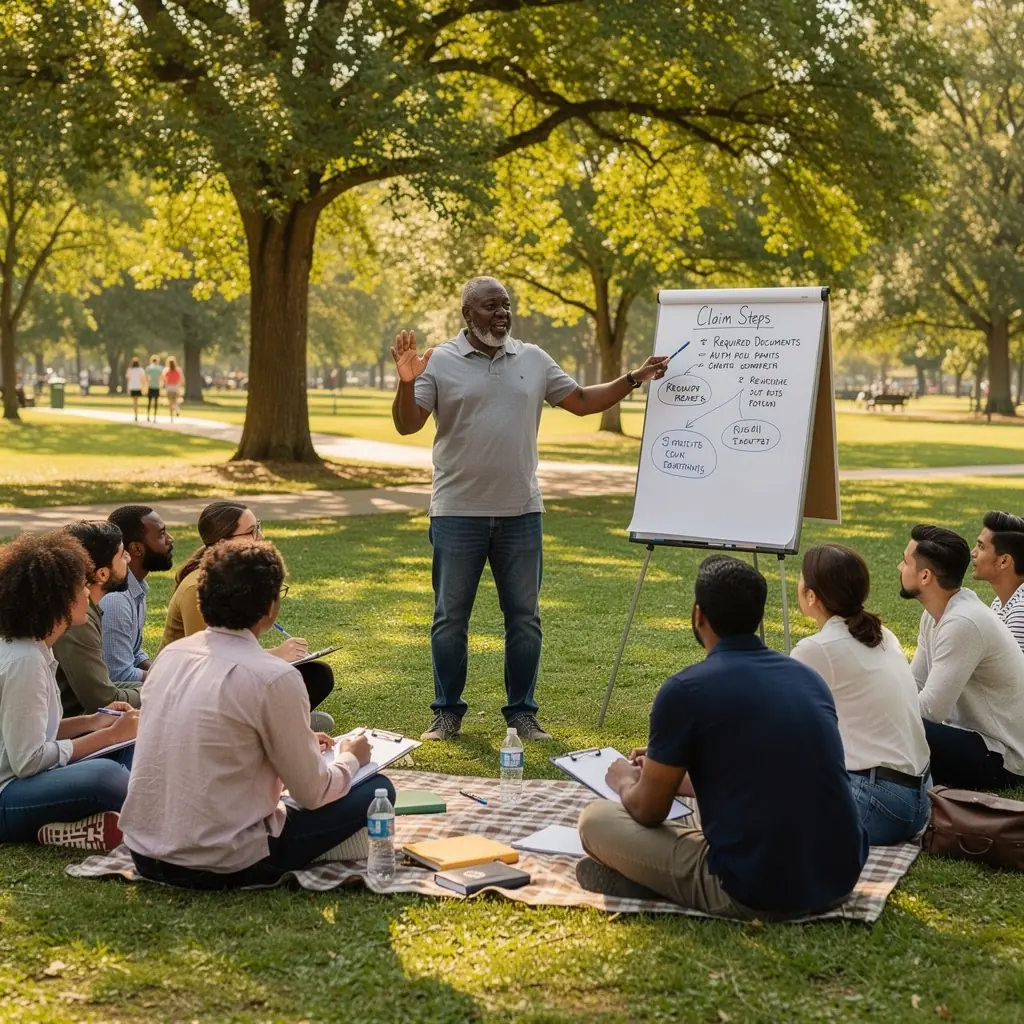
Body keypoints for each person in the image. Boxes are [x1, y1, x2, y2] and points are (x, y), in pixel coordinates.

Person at [391, 276, 669, 742]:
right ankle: (446, 713)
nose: (502, 313)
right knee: (450, 619)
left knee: (524, 619)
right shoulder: (439, 361)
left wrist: (634, 378)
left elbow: (582, 401)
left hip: (521, 512)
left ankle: (521, 712)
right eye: (490, 306)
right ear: (467, 314)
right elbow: (407, 424)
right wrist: (406, 383)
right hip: (457, 512)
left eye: (505, 305)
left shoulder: (534, 358)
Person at [576, 556, 867, 918]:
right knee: (700, 810)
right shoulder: (808, 679)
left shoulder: (684, 690)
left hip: (757, 889)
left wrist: (624, 779)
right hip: (839, 877)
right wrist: (670, 773)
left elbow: (649, 811)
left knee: (595, 820)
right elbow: (769, 772)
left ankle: (653, 881)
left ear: (699, 615)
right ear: (758, 617)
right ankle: (652, 879)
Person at [120, 540, 392, 888]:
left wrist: (301, 741)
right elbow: (312, 793)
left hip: (144, 851)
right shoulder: (273, 676)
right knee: (377, 788)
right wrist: (352, 759)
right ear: (270, 606)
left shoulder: (170, 657)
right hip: (223, 860)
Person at [0, 531, 139, 850]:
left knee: (131, 748)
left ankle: (76, 826)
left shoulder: (35, 649)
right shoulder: (24, 660)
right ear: (57, 599)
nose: (88, 592)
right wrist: (109, 736)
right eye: (80, 586)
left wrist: (93, 722)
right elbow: (28, 760)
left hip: (25, 780)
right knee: (107, 776)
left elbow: (32, 732)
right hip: (8, 793)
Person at [791, 544, 931, 845]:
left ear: (812, 596)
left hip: (880, 804)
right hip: (922, 800)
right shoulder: (883, 634)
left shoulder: (815, 649)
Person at [160, 501, 335, 733]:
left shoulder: (230, 576)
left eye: (258, 527)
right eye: (251, 531)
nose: (260, 536)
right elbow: (209, 663)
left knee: (317, 675)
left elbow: (233, 648)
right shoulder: (197, 587)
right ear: (222, 543)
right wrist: (277, 655)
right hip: (193, 693)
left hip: (226, 677)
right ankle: (276, 725)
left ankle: (278, 722)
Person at [900, 524, 1024, 789]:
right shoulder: (935, 615)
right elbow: (915, 683)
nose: (900, 567)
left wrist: (878, 709)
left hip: (1002, 757)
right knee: (894, 723)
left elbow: (931, 710)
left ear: (925, 576)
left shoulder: (963, 622)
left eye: (905, 562)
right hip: (970, 739)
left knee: (899, 726)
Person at [54, 521, 143, 717]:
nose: (128, 558)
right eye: (122, 555)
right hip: (71, 730)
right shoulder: (78, 622)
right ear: (102, 574)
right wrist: (158, 691)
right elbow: (102, 700)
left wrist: (156, 684)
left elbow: (104, 687)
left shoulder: (84, 611)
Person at [99, 506, 174, 684]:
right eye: (161, 534)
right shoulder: (116, 600)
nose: (170, 539)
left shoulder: (136, 586)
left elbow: (134, 653)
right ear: (137, 548)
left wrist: (163, 673)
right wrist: (168, 681)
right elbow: (119, 675)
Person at [971, 510, 1024, 654]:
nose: (973, 553)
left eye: (981, 547)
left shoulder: (1020, 612)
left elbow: (1015, 669)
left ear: (1004, 561)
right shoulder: (999, 603)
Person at [125, 358, 146, 422]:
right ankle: (136, 415)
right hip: (138, 387)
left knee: (134, 402)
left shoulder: (130, 370)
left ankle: (135, 415)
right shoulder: (140, 370)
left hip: (132, 387)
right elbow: (143, 379)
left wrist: (128, 388)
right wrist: (143, 387)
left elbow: (128, 379)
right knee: (136, 401)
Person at [144, 356, 163, 422]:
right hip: (157, 386)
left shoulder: (149, 368)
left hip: (150, 386)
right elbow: (161, 378)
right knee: (156, 402)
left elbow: (146, 378)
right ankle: (154, 416)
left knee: (149, 402)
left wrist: (146, 385)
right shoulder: (160, 368)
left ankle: (148, 416)